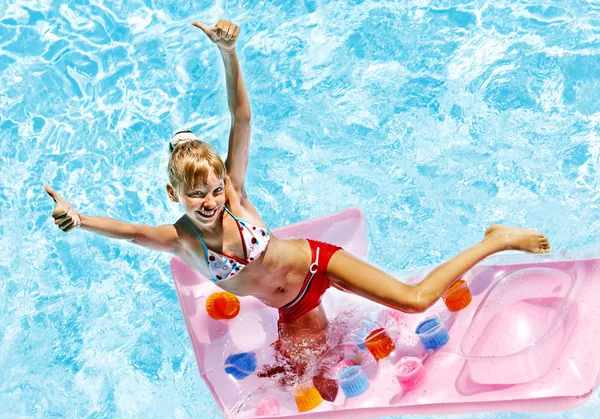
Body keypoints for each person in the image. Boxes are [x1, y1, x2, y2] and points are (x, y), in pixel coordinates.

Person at [45, 19, 551, 383]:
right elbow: (131, 232)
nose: (209, 201)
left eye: (215, 188)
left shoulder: (235, 198)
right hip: (290, 309)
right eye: (196, 193)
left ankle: (496, 239)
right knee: (295, 381)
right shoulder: (181, 241)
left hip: (317, 265)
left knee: (413, 301)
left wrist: (228, 54)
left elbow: (241, 119)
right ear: (174, 194)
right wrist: (80, 218)